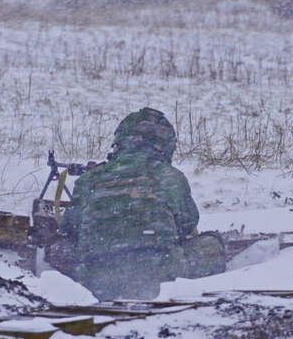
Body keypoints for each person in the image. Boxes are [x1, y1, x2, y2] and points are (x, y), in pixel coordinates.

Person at [46, 107, 225, 300]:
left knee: (58, 248)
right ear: (165, 144)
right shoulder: (169, 176)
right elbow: (187, 224)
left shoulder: (90, 179)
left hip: (95, 279)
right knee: (212, 243)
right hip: (164, 278)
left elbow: (70, 228)